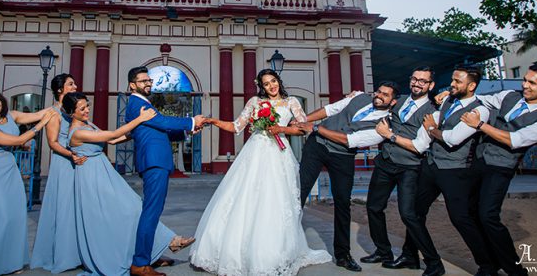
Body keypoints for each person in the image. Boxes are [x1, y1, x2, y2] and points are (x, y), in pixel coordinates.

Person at [190, 69, 332, 276]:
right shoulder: (255, 102)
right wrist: (213, 121)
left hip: (279, 155)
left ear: (278, 81)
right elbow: (236, 126)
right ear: (262, 86)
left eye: (273, 81)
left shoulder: (291, 102)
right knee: (245, 198)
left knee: (276, 199)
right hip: (255, 152)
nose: (271, 86)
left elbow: (304, 128)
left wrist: (281, 129)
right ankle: (238, 252)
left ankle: (275, 252)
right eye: (266, 84)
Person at [378, 66, 493, 276]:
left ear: (472, 85)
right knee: (413, 214)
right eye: (453, 80)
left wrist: (431, 129)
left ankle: (487, 266)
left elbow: (452, 138)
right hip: (431, 167)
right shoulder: (449, 100)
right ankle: (412, 256)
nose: (452, 84)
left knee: (461, 219)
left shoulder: (480, 109)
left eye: (457, 81)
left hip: (455, 171)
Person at [64, 92, 186, 276]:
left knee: (135, 210)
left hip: (104, 174)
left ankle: (153, 252)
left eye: (87, 105)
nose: (87, 110)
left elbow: (113, 140)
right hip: (92, 179)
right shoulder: (78, 132)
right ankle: (157, 248)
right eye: (82, 109)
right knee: (127, 212)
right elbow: (112, 134)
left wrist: (138, 130)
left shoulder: (87, 125)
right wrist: (140, 119)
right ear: (71, 113)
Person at [460, 64, 537, 276]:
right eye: (525, 80)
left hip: (501, 168)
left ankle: (514, 269)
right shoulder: (508, 96)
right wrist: (451, 92)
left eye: (533, 82)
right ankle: (488, 264)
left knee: (488, 215)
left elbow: (515, 140)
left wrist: (479, 125)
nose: (525, 85)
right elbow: (478, 99)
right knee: (469, 213)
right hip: (479, 160)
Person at [296, 81, 400, 272]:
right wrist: (302, 122)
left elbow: (349, 140)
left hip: (342, 156)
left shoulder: (383, 127)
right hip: (316, 145)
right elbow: (329, 110)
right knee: (300, 193)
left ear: (392, 102)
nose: (379, 95)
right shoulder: (359, 97)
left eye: (385, 95)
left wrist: (315, 128)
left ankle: (343, 255)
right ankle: (286, 244)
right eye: (379, 91)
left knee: (343, 203)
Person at [125, 66, 203, 276]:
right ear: (132, 85)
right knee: (151, 212)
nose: (148, 83)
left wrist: (186, 131)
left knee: (152, 211)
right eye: (143, 81)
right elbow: (161, 122)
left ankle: (150, 255)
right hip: (153, 161)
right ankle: (140, 263)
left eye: (149, 80)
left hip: (155, 160)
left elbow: (158, 130)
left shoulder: (143, 102)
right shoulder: (136, 103)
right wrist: (191, 121)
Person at [0, 88, 55, 276]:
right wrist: (41, 125)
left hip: (10, 169)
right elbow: (16, 140)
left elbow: (38, 113)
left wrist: (58, 104)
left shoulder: (12, 115)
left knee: (16, 215)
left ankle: (10, 263)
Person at [31, 74, 87, 273]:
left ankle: (79, 251)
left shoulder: (72, 110)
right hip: (64, 162)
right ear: (59, 90)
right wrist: (71, 154)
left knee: (77, 206)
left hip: (77, 160)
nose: (75, 85)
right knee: (64, 205)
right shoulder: (54, 113)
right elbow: (52, 142)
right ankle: (65, 255)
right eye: (71, 84)